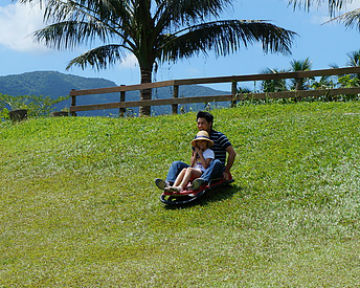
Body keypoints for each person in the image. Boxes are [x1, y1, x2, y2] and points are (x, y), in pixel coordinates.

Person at [155, 111, 236, 190]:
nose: (200, 126)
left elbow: (232, 153)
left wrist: (226, 170)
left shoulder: (219, 136)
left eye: (202, 123)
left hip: (215, 170)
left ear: (210, 124)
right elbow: (193, 160)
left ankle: (202, 181)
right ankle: (169, 183)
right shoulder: (197, 139)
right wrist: (191, 168)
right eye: (198, 123)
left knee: (216, 162)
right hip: (199, 169)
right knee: (176, 164)